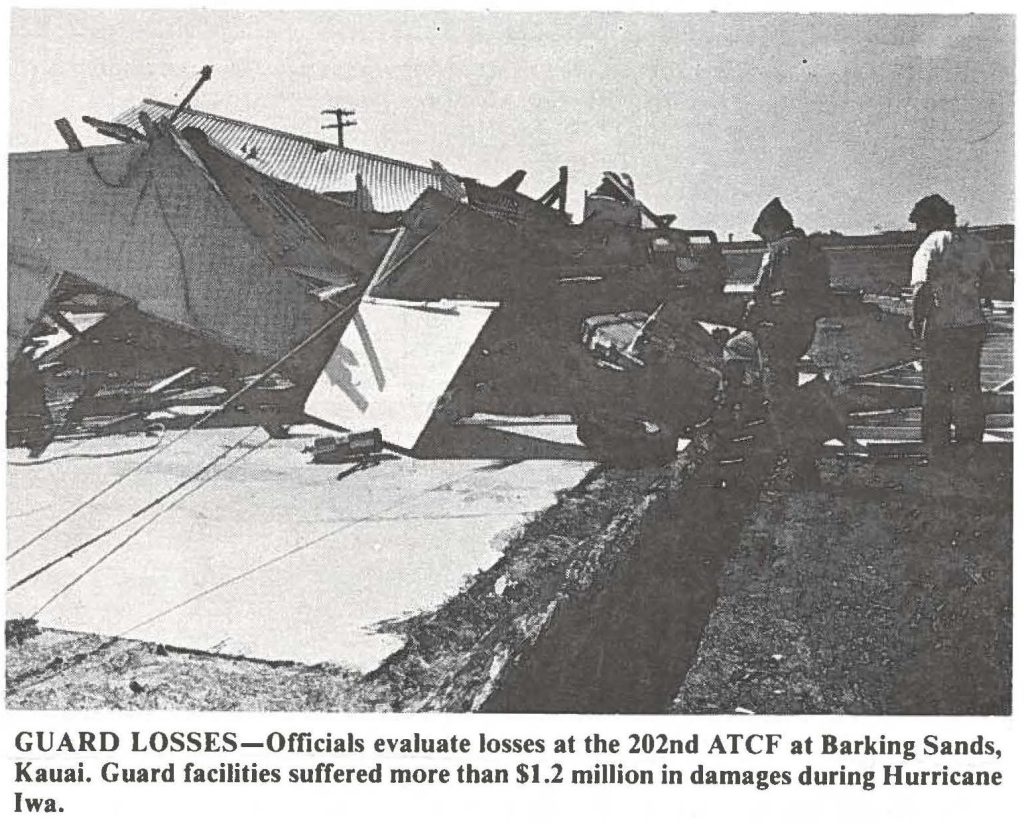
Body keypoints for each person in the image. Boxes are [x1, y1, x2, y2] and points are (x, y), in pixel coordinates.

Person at [744, 198, 832, 482]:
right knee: (789, 387)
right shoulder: (811, 250)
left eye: (764, 234)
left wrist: (750, 318)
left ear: (771, 228)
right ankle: (801, 458)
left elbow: (760, 292)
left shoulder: (778, 250)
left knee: (780, 399)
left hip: (776, 331)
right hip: (802, 330)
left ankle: (801, 466)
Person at [908, 194, 992, 455]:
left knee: (936, 387)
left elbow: (920, 290)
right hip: (972, 324)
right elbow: (990, 282)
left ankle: (937, 444)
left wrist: (916, 323)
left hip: (941, 327)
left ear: (928, 222)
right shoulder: (976, 243)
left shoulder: (930, 245)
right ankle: (970, 442)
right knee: (968, 385)